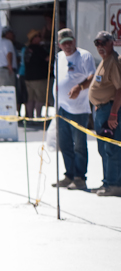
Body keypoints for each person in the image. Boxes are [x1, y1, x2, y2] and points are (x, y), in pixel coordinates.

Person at [51, 28, 95, 190]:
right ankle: (69, 174)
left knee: (79, 145)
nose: (68, 45)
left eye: (70, 41)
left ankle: (80, 177)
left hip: (78, 109)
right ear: (59, 45)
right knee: (64, 143)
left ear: (74, 40)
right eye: (64, 43)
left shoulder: (84, 56)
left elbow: (92, 76)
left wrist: (79, 87)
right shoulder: (59, 57)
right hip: (61, 107)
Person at [88, 31, 121, 196]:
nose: (100, 46)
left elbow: (120, 89)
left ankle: (115, 185)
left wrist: (113, 113)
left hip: (109, 110)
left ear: (111, 43)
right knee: (103, 148)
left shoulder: (113, 61)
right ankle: (107, 182)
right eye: (97, 43)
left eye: (103, 42)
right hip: (102, 109)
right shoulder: (105, 60)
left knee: (111, 148)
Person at [23, 30, 50, 119]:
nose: (40, 37)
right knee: (40, 98)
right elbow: (48, 58)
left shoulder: (27, 49)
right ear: (34, 39)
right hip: (39, 77)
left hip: (28, 77)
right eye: (38, 35)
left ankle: (30, 117)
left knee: (30, 99)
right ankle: (38, 116)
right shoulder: (38, 48)